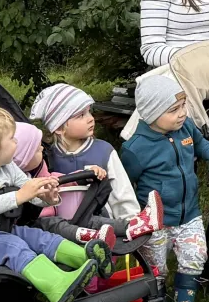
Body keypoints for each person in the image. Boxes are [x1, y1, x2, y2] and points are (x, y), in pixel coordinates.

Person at [0, 106, 112, 302]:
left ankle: (86, 257)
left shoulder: (7, 167)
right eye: (11, 139)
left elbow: (31, 193)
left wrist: (48, 197)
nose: (16, 142)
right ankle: (57, 284)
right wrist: (20, 195)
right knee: (12, 246)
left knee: (37, 236)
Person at [119, 75, 209, 302]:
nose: (182, 113)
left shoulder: (186, 127)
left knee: (195, 256)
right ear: (151, 113)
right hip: (155, 222)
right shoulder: (135, 149)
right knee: (155, 267)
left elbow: (201, 143)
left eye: (183, 106)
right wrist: (131, 216)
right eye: (173, 110)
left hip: (189, 213)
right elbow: (124, 184)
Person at [13, 120, 163, 244]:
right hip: (38, 225)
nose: (41, 147)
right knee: (54, 224)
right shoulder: (18, 182)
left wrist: (85, 174)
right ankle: (93, 237)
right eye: (36, 149)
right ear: (24, 158)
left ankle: (136, 225)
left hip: (63, 215)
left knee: (91, 220)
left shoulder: (40, 168)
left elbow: (56, 179)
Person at [30, 83, 141, 221]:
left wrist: (132, 223)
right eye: (81, 115)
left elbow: (122, 193)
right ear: (59, 128)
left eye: (89, 111)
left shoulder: (103, 151)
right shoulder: (47, 158)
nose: (91, 118)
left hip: (104, 225)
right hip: (62, 229)